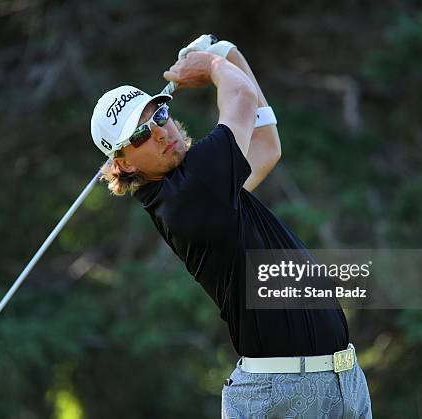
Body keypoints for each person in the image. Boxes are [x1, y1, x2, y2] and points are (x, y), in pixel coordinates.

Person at [90, 36, 372, 418]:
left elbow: (266, 145)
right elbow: (239, 97)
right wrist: (212, 66)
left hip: (340, 383)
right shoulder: (189, 193)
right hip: (284, 396)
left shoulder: (193, 186)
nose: (160, 131)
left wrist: (230, 54)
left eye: (158, 116)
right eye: (140, 135)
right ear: (123, 164)